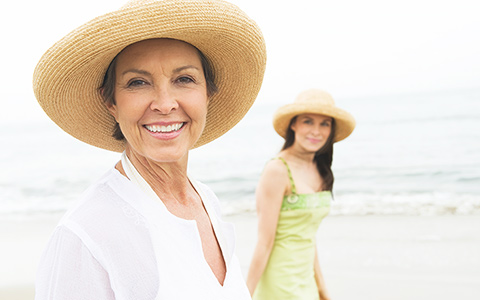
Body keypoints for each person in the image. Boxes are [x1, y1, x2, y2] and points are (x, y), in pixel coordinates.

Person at [32, 0, 266, 299]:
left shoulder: (206, 200)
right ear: (111, 102)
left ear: (208, 92)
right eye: (138, 82)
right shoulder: (86, 236)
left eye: (184, 79)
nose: (165, 103)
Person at [246, 89, 355, 300]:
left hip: (306, 281)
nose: (316, 131)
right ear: (293, 124)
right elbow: (264, 242)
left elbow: (308, 237)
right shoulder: (277, 170)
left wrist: (322, 289)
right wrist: (244, 294)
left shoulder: (320, 170)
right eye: (308, 121)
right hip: (280, 282)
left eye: (325, 124)